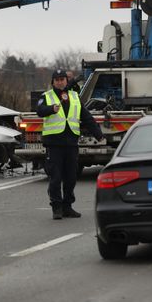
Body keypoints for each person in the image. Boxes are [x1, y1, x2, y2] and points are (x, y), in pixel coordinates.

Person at [37, 69, 104, 220]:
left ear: (66, 81)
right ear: (53, 82)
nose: (60, 82)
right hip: (54, 144)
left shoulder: (74, 97)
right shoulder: (47, 96)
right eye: (57, 79)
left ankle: (68, 207)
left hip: (71, 144)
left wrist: (98, 134)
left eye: (63, 79)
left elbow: (86, 117)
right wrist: (51, 109)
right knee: (55, 177)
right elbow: (40, 111)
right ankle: (57, 207)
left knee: (71, 177)